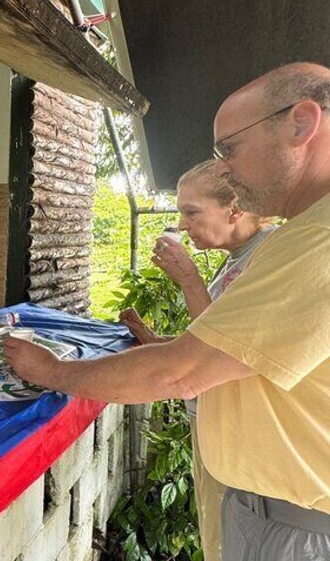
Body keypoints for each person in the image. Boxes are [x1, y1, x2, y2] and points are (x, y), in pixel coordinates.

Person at [4, 63, 330, 560]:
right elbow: (227, 357)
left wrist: (49, 369)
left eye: (229, 149)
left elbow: (184, 371)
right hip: (294, 513)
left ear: (301, 124)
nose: (223, 168)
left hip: (304, 526)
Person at [119, 158, 275, 561]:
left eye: (192, 211)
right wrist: (159, 340)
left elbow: (227, 349)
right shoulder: (236, 256)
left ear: (234, 209)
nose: (183, 224)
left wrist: (189, 279)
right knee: (214, 531)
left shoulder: (267, 256)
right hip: (215, 420)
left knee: (228, 539)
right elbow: (211, 334)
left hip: (242, 431)